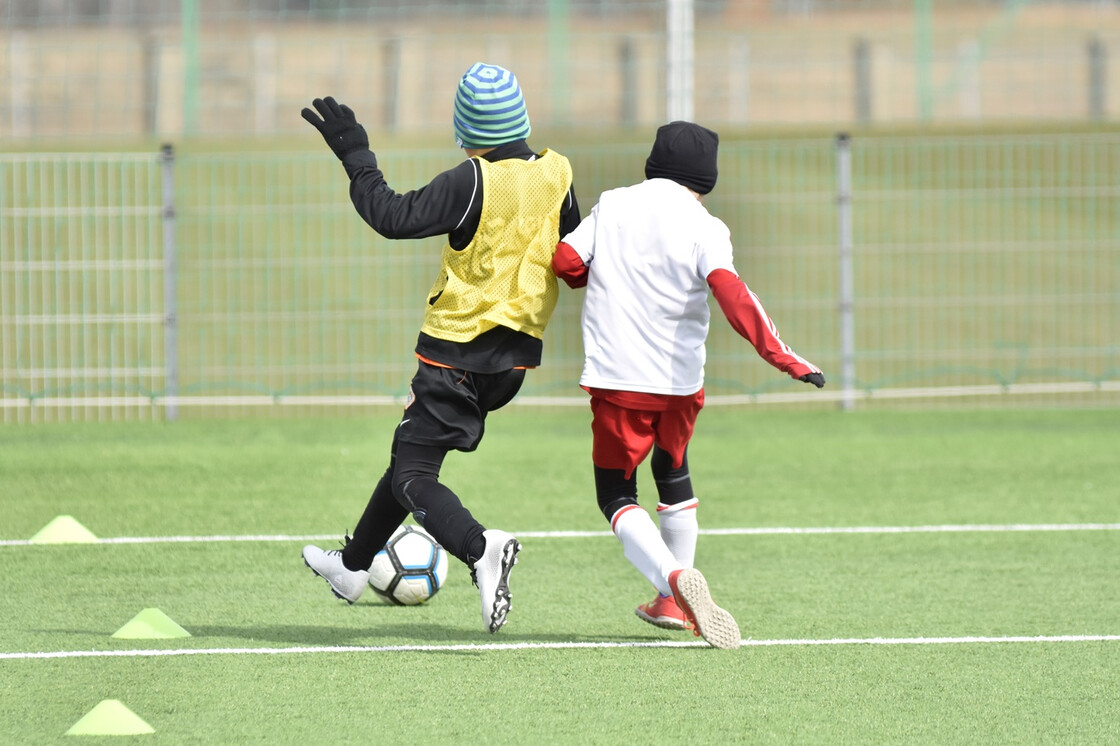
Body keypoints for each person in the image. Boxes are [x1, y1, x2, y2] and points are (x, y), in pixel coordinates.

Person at [300, 62, 580, 633]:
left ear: (467, 129)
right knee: (411, 456)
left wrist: (356, 154)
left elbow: (391, 215)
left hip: (455, 354)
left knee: (412, 477)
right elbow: (574, 250)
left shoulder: (471, 179)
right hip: (514, 359)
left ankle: (482, 549)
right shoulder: (559, 172)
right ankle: (354, 567)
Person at [551, 121, 825, 650]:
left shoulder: (614, 204)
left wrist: (592, 276)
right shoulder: (707, 226)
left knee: (615, 493)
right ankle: (671, 607)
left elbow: (566, 260)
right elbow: (731, 292)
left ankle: (672, 582)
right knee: (672, 471)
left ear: (654, 162)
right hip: (681, 384)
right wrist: (784, 358)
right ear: (707, 178)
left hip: (618, 381)